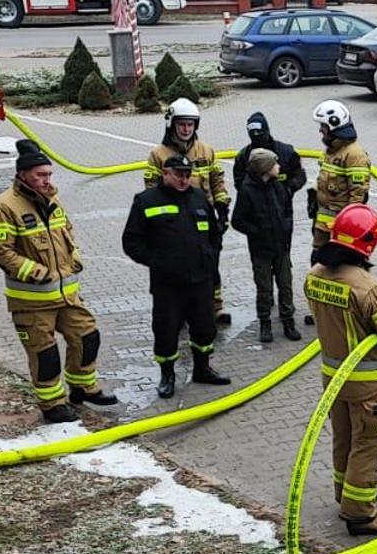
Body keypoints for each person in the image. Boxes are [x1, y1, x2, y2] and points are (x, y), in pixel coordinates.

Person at [305, 203, 377, 536]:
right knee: (370, 445)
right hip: (370, 386)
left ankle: (345, 495)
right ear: (368, 242)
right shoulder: (369, 287)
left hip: (333, 380)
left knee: (344, 439)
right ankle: (360, 514)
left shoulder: (314, 276)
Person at [0, 141, 115, 423]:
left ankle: (82, 387)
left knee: (87, 336)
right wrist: (36, 271)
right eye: (41, 175)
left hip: (67, 296)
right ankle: (52, 405)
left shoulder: (53, 200)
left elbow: (67, 234)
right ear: (23, 175)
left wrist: (75, 258)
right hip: (32, 302)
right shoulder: (4, 206)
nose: (47, 181)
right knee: (45, 356)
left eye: (49, 174)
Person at [122, 155, 231, 399]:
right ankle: (167, 375)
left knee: (205, 327)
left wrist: (210, 257)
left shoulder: (199, 197)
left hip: (200, 280)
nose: (183, 179)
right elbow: (131, 241)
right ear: (165, 173)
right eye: (178, 174)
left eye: (187, 174)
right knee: (166, 330)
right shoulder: (146, 201)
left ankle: (202, 368)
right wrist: (157, 262)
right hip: (167, 284)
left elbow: (214, 233)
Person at [146, 99, 232, 324]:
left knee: (209, 263)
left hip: (203, 220)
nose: (186, 129)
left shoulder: (206, 151)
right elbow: (151, 191)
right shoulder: (158, 155)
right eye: (182, 124)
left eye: (190, 125)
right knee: (179, 267)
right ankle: (182, 309)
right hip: (174, 224)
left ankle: (215, 306)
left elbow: (217, 181)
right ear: (172, 125)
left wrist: (222, 210)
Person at [232, 112, 308, 343]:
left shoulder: (284, 154)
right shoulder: (245, 160)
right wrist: (257, 230)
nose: (257, 138)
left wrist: (287, 190)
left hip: (281, 240)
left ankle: (288, 321)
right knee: (263, 287)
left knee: (285, 283)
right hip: (261, 245)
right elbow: (239, 216)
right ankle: (265, 322)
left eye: (260, 134)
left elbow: (299, 177)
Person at [310, 100, 371, 255]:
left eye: (323, 126)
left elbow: (357, 196)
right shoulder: (331, 151)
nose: (320, 131)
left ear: (333, 125)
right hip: (323, 227)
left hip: (342, 232)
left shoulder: (354, 155)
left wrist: (348, 230)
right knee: (317, 264)